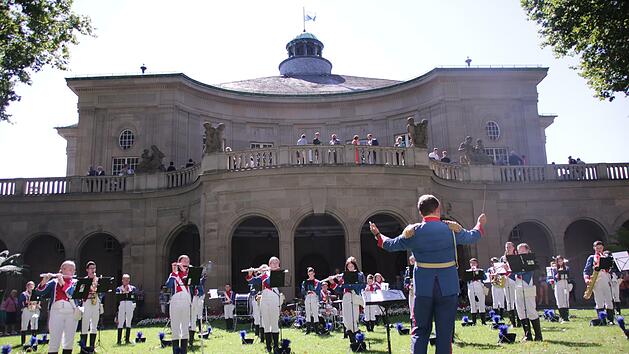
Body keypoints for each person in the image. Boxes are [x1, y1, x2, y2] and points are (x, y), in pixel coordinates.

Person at [369, 194, 485, 354]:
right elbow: (473, 236)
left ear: (421, 212)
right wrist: (480, 223)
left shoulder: (413, 232)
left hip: (423, 288)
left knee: (420, 331)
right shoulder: (451, 230)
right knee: (444, 333)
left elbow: (389, 244)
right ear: (438, 209)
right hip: (448, 287)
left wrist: (377, 234)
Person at [34, 260, 78, 354]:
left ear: (74, 272)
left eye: (71, 270)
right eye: (65, 269)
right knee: (54, 339)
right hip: (56, 312)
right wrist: (44, 281)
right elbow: (39, 292)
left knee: (69, 340)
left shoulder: (76, 282)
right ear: (61, 270)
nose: (68, 271)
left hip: (72, 313)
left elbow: (72, 293)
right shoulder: (54, 282)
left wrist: (62, 283)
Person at [246, 257, 282, 353]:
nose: (274, 264)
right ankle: (268, 347)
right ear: (269, 264)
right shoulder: (264, 274)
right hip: (264, 298)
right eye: (272, 263)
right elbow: (252, 281)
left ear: (278, 265)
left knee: (274, 323)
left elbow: (271, 282)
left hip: (274, 297)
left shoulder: (280, 273)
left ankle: (275, 346)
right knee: (266, 323)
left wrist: (266, 273)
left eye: (276, 263)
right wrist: (250, 274)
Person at [328, 257, 365, 346]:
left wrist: (351, 285)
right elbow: (340, 289)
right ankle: (352, 340)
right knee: (346, 319)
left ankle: (358, 339)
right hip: (346, 297)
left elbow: (362, 286)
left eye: (352, 266)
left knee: (354, 318)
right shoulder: (344, 276)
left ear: (354, 266)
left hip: (354, 296)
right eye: (349, 266)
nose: (350, 268)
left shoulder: (359, 274)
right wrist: (332, 282)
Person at [510, 243, 542, 341]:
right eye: (519, 251)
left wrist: (514, 271)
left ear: (528, 251)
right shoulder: (516, 261)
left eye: (523, 251)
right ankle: (527, 335)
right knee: (520, 310)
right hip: (518, 286)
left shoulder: (531, 260)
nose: (520, 253)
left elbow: (527, 271)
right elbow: (512, 274)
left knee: (531, 309)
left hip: (528, 286)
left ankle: (538, 335)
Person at [583, 240, 615, 323]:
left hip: (606, 279)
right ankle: (602, 319)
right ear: (594, 248)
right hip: (596, 280)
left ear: (603, 248)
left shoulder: (607, 256)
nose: (599, 250)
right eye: (597, 248)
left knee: (609, 300)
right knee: (599, 300)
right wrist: (586, 279)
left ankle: (610, 319)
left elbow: (612, 269)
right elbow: (586, 270)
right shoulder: (591, 258)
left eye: (600, 248)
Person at [166, 255, 192, 354]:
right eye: (184, 261)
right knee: (175, 326)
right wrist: (174, 272)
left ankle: (184, 351)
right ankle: (176, 351)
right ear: (179, 262)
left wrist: (184, 271)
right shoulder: (174, 274)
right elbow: (168, 285)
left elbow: (193, 283)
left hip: (186, 300)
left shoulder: (190, 273)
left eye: (187, 261)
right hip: (175, 300)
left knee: (185, 326)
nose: (186, 263)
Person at [80, 261, 103, 349]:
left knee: (94, 324)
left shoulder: (98, 280)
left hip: (96, 302)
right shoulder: (84, 280)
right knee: (85, 324)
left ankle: (92, 347)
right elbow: (80, 292)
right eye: (91, 268)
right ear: (87, 270)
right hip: (87, 302)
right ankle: (83, 347)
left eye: (94, 268)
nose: (93, 270)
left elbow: (102, 292)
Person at [500, 242, 519, 327]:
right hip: (506, 280)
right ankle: (512, 322)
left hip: (514, 279)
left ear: (513, 247)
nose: (508, 249)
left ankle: (520, 321)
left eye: (509, 247)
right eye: (506, 247)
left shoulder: (517, 257)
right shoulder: (503, 258)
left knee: (517, 300)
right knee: (509, 301)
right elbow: (500, 270)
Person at [547, 256, 570, 322]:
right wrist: (556, 276)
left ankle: (566, 317)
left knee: (565, 300)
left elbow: (569, 276)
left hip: (565, 283)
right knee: (559, 300)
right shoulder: (554, 269)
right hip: (558, 284)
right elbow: (550, 278)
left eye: (561, 261)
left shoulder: (567, 268)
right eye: (558, 261)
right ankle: (562, 316)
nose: (560, 262)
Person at [115, 274, 136, 345]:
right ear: (122, 280)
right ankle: (118, 340)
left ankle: (127, 339)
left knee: (128, 321)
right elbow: (117, 297)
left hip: (129, 305)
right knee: (120, 322)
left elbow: (134, 296)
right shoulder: (118, 288)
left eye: (127, 280)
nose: (126, 281)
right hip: (122, 305)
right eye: (125, 280)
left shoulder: (132, 288)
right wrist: (123, 292)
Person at [466, 258, 487, 325]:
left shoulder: (480, 270)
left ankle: (483, 321)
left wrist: (479, 274)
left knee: (481, 304)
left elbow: (485, 277)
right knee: (473, 305)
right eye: (471, 263)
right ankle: (474, 322)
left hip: (479, 288)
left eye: (474, 263)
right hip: (471, 288)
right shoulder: (468, 271)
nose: (473, 264)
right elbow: (465, 279)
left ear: (477, 264)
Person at [300, 267, 322, 334]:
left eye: (312, 274)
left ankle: (317, 331)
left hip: (314, 297)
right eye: (309, 274)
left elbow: (318, 291)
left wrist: (314, 291)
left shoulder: (317, 282)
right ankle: (308, 330)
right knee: (308, 313)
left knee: (315, 313)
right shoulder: (305, 282)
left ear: (314, 274)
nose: (310, 275)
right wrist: (306, 291)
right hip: (307, 297)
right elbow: (302, 291)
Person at [19, 281, 39, 345]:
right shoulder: (24, 294)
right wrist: (28, 303)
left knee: (34, 325)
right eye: (30, 286)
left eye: (32, 286)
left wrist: (38, 304)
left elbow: (38, 301)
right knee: (24, 325)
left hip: (34, 310)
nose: (31, 287)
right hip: (26, 310)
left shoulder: (35, 294)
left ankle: (34, 341)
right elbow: (21, 302)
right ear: (27, 287)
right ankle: (23, 342)